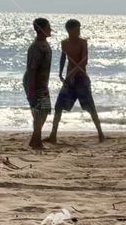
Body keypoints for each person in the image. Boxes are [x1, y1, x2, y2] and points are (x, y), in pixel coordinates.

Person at [46, 19, 105, 144]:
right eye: (76, 29)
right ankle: (53, 135)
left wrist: (72, 74)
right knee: (58, 106)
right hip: (69, 80)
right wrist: (60, 73)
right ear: (69, 31)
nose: (79, 32)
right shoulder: (64, 43)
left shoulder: (83, 42)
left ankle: (101, 134)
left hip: (81, 78)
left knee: (91, 107)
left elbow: (84, 61)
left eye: (79, 29)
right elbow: (63, 57)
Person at [23, 18, 53, 150]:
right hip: (34, 82)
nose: (50, 29)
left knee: (44, 110)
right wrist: (31, 90)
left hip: (43, 83)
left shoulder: (44, 44)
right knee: (39, 112)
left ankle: (35, 139)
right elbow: (32, 70)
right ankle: (36, 141)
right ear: (41, 30)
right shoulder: (36, 47)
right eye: (48, 27)